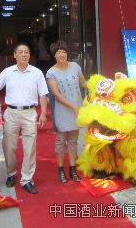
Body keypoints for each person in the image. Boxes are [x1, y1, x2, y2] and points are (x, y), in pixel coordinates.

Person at [0, 43, 48, 195]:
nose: (24, 55)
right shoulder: (8, 72)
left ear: (29, 55)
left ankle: (27, 179)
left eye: (26, 52)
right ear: (15, 55)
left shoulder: (37, 73)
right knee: (8, 146)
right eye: (21, 52)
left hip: (29, 113)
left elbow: (43, 94)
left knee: (30, 147)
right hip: (11, 113)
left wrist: (44, 113)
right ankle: (11, 173)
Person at [45, 40, 87, 183]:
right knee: (61, 141)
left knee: (73, 141)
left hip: (77, 108)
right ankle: (61, 170)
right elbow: (56, 95)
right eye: (58, 52)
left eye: (63, 52)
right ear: (54, 55)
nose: (62, 55)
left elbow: (83, 83)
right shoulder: (51, 73)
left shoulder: (75, 66)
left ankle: (73, 169)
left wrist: (98, 85)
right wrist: (73, 107)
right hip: (62, 110)